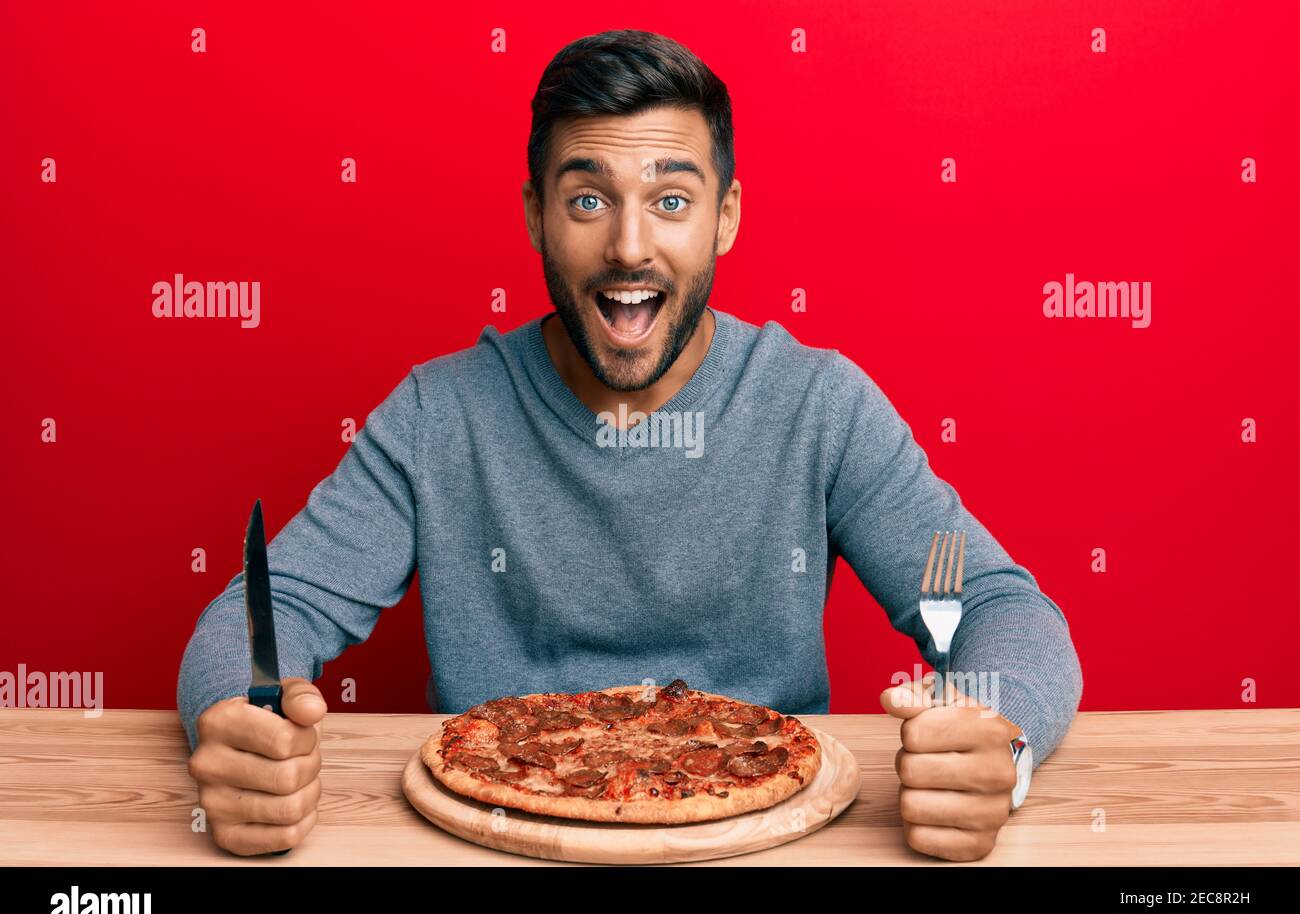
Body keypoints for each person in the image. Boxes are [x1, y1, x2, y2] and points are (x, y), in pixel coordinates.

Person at [179, 29, 1083, 861]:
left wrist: (996, 741)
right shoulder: (439, 414)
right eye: (587, 199)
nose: (628, 245)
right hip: (493, 846)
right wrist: (242, 721)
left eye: (671, 199)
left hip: (773, 850)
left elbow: (1006, 613)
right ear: (536, 215)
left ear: (725, 217)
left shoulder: (819, 404)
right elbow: (266, 611)